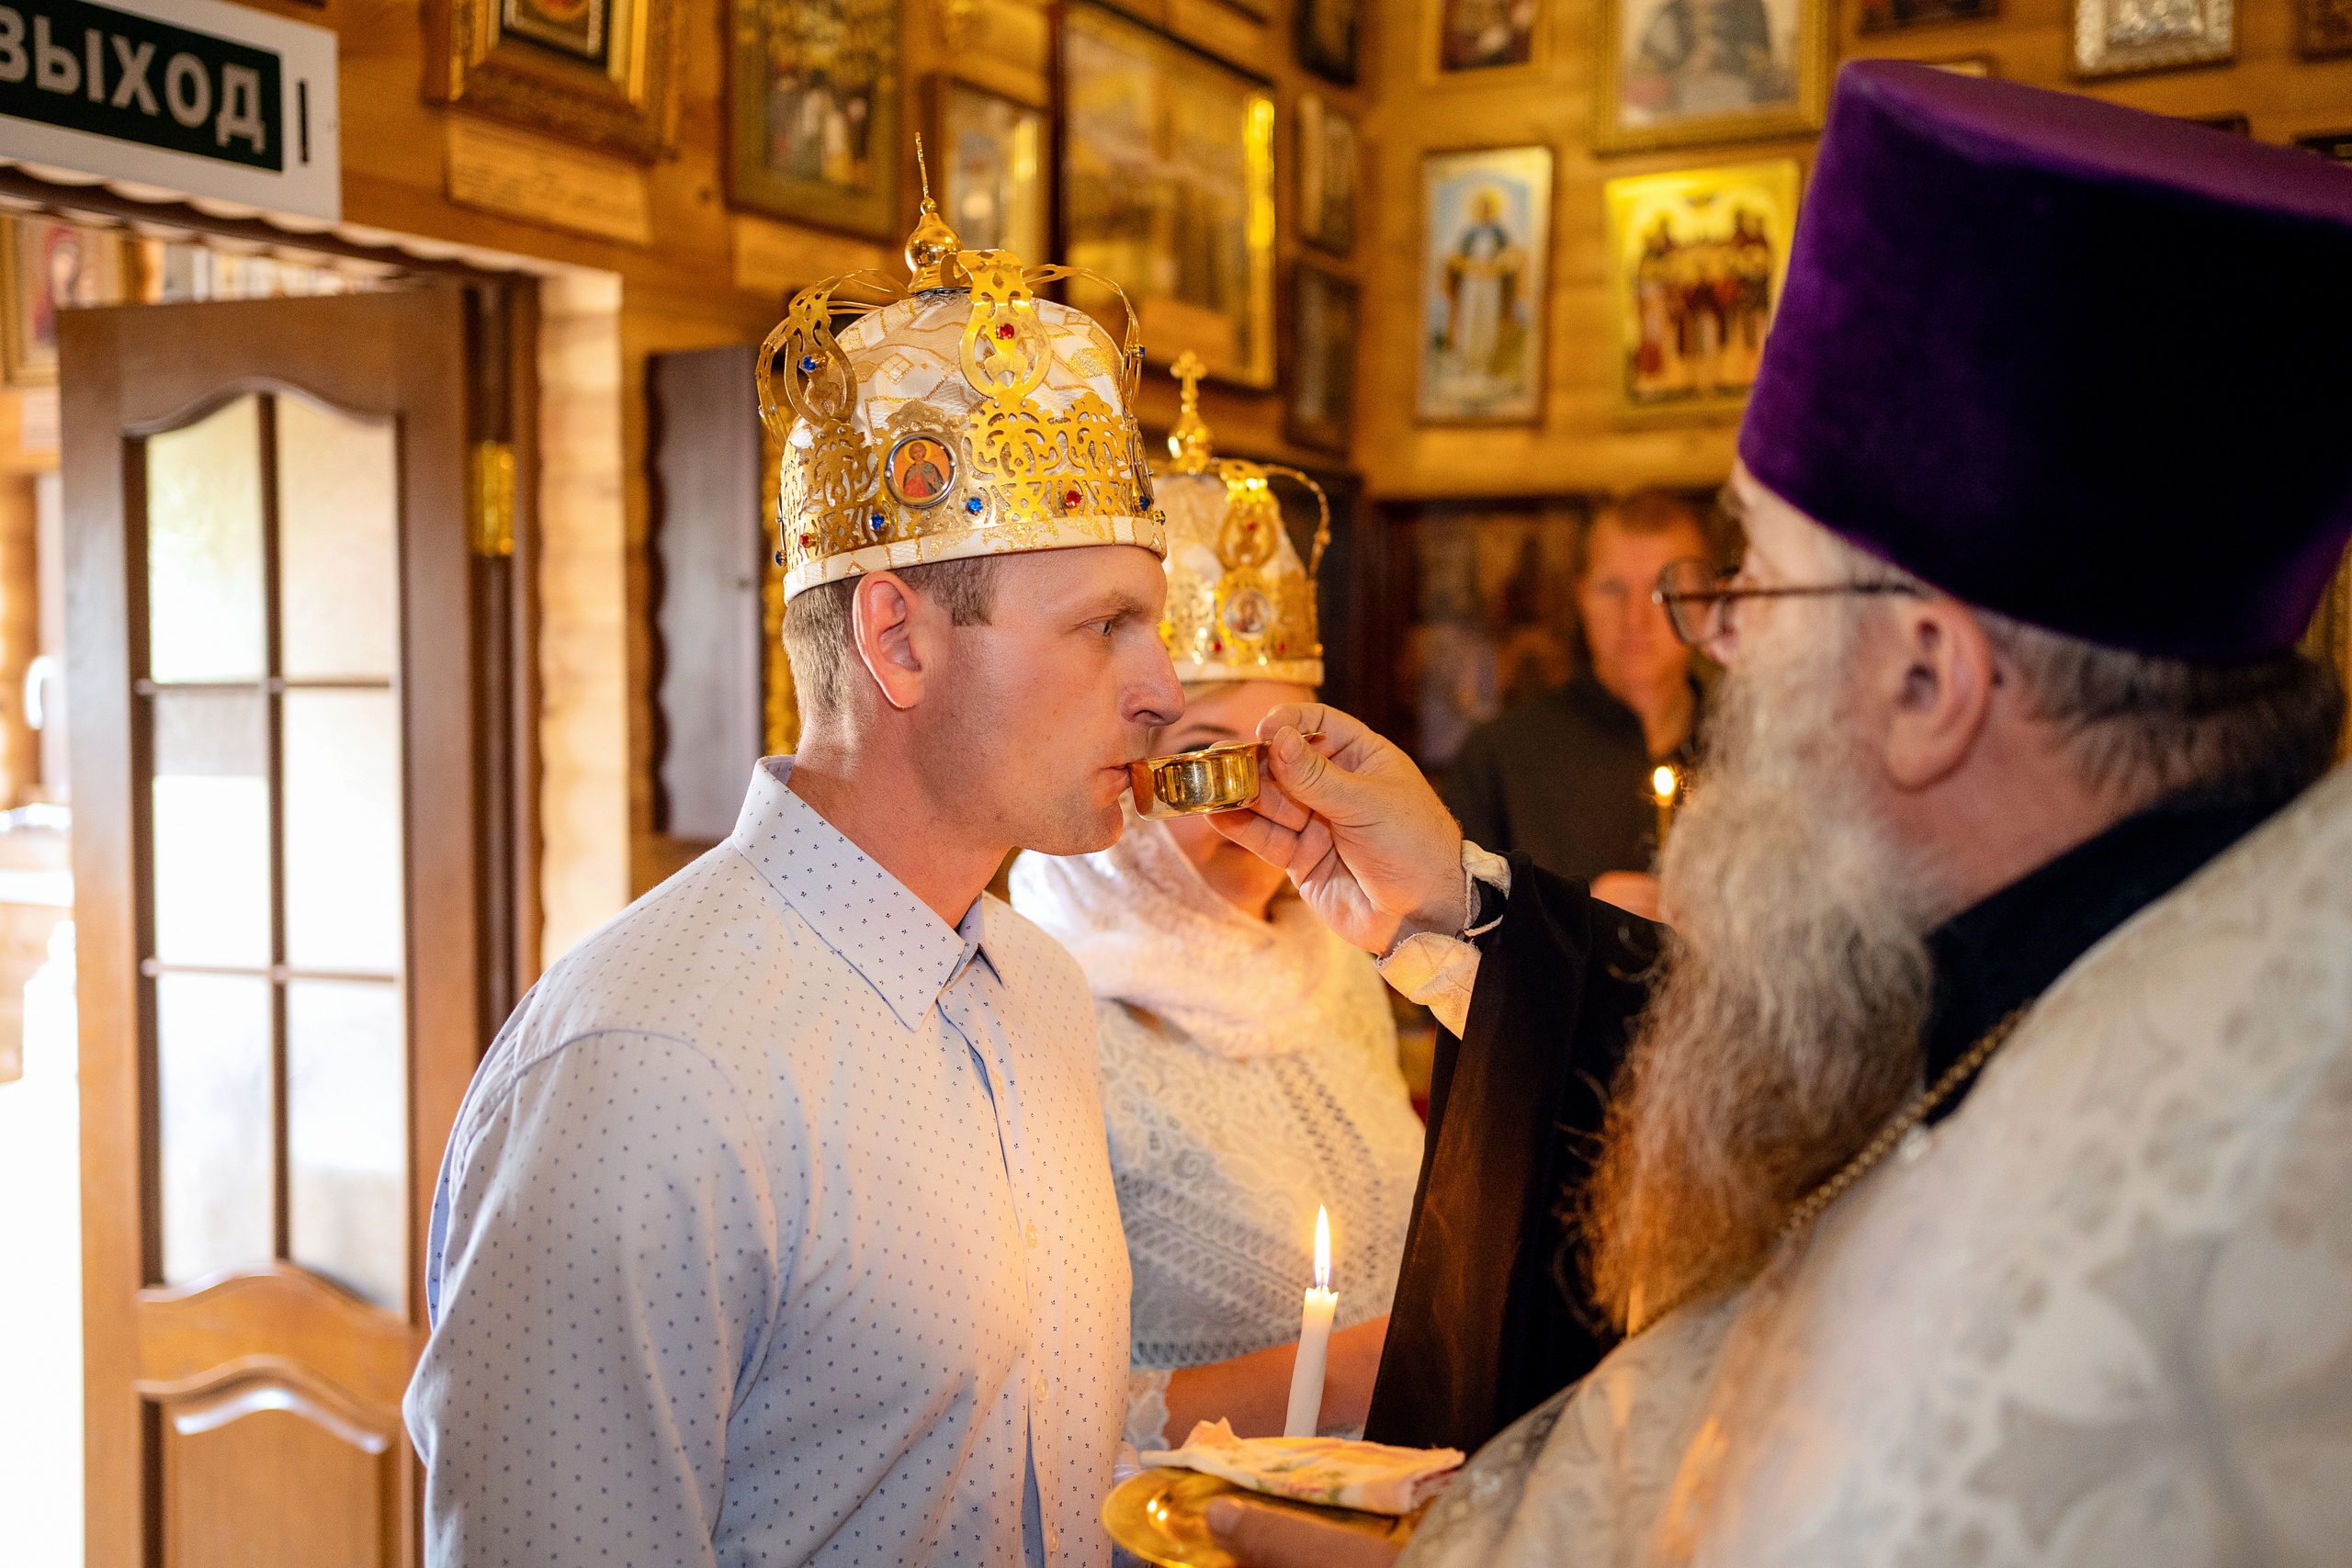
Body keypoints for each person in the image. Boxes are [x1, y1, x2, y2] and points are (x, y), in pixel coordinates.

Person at [1199, 62, 2352, 1566]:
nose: (1718, 639)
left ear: (1930, 675)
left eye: (1758, 584)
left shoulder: (2150, 1242)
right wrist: (1460, 908)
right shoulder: (2112, 949)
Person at [404, 193, 1182, 1566]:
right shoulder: (644, 1069)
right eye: (1103, 627)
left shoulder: (1041, 993)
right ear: (899, 637)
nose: (1163, 690)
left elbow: (1007, 1472)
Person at [1011, 372, 1424, 1451]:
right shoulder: (1038, 1019)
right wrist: (1341, 1378)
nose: (1262, 805)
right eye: (1203, 762)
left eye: (1287, 753)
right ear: (1118, 764)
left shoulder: (1331, 963)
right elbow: (1030, 1428)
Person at [1442, 489, 1715, 916]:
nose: (1635, 618)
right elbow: (1450, 938)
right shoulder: (1500, 757)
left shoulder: (1763, 750)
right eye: (1612, 589)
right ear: (1582, 596)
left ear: (1705, 600)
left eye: (1663, 590)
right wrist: (1572, 921)